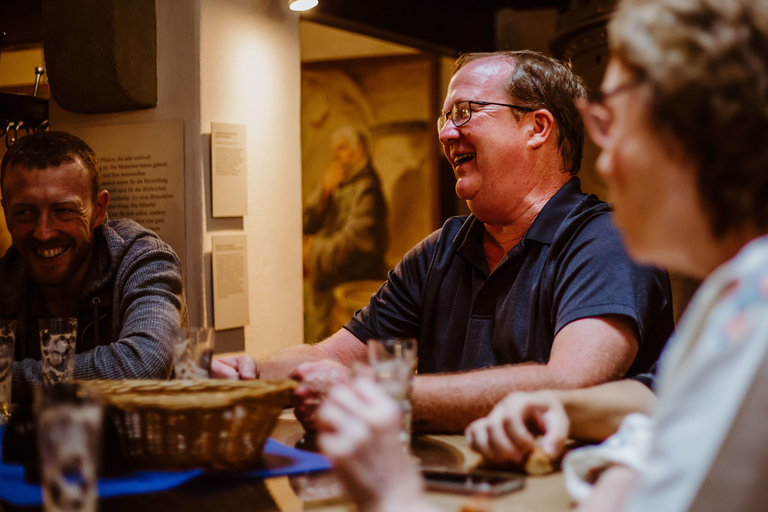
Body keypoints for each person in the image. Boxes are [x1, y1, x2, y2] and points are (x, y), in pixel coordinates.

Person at [316, 0, 768, 511]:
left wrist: (392, 495)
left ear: (694, 133)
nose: (607, 156)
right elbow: (662, 400)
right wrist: (560, 407)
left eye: (615, 122)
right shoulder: (733, 293)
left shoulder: (759, 308)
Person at [214, 50, 674, 433]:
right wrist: (253, 373)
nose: (445, 133)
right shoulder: (441, 250)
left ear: (537, 127)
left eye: (464, 112)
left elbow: (573, 384)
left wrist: (388, 395)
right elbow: (332, 356)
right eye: (444, 116)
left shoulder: (609, 241)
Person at [0, 131, 187, 401]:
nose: (43, 232)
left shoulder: (145, 260)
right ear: (6, 213)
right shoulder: (6, 276)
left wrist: (7, 377)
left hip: (130, 443)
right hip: (33, 443)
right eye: (24, 212)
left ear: (99, 210)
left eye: (63, 210)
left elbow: (142, 367)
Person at [303, 126, 388, 343]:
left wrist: (313, 252)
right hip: (329, 293)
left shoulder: (367, 189)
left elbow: (357, 244)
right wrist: (324, 192)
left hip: (351, 296)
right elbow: (306, 224)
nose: (335, 156)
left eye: (341, 148)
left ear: (359, 151)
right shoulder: (340, 184)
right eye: (335, 150)